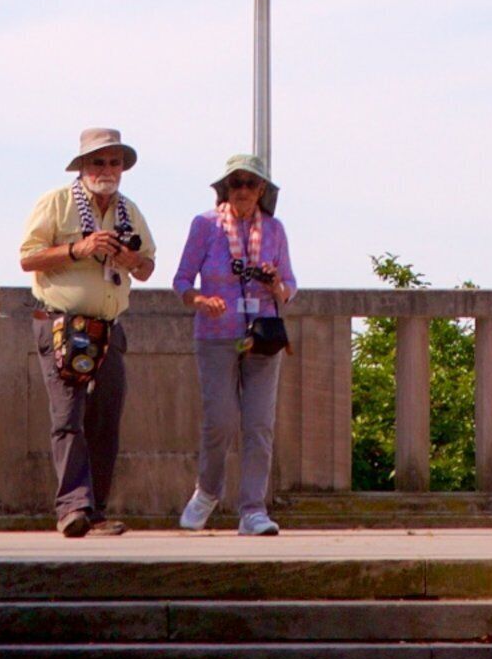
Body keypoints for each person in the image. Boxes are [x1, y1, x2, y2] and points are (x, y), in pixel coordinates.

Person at [17, 126, 157, 537]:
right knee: (68, 417)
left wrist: (129, 257)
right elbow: (28, 259)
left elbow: (148, 268)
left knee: (106, 420)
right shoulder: (57, 203)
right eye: (99, 161)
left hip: (109, 328)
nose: (107, 169)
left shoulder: (129, 210)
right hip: (62, 325)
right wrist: (80, 248)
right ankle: (72, 508)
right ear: (82, 166)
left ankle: (95, 510)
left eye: (114, 162)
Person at [171, 153, 297, 535]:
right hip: (216, 336)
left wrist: (275, 285)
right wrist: (200, 301)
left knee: (260, 424)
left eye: (250, 184)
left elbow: (291, 286)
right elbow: (181, 282)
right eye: (235, 183)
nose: (242, 190)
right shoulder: (204, 226)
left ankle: (253, 509)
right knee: (220, 421)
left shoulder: (275, 229)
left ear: (261, 190)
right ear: (226, 189)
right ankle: (207, 492)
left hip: (261, 337)